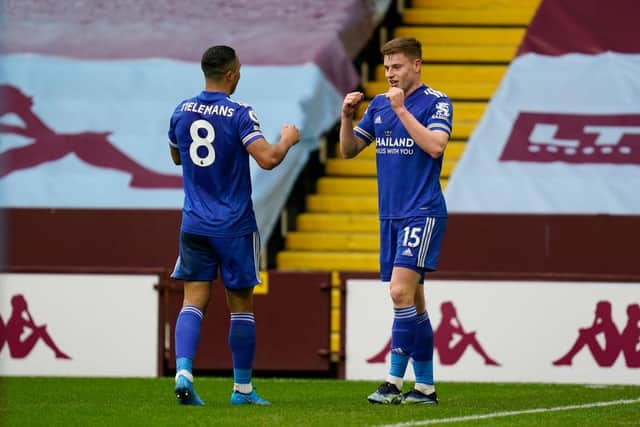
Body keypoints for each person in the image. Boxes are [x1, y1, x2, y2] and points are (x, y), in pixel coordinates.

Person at [167, 45, 300, 406]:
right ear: (229, 74)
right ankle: (241, 389)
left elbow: (177, 155)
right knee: (241, 306)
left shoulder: (181, 111)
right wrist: (287, 138)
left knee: (192, 300)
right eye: (238, 70)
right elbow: (268, 158)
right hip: (234, 224)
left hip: (194, 222)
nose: (240, 75)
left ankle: (183, 371)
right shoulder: (239, 113)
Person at [339, 37, 453, 405]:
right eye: (387, 67)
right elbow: (349, 150)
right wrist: (346, 117)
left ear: (417, 65)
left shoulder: (436, 102)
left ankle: (391, 383)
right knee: (415, 303)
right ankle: (425, 388)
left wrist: (403, 111)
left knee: (399, 292)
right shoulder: (379, 106)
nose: (390, 73)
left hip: (422, 210)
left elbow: (436, 146)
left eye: (397, 66)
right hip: (390, 214)